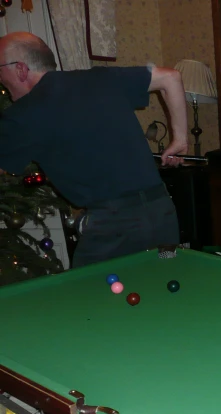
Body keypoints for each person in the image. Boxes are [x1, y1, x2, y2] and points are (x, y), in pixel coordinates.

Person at [0, 32, 188, 268]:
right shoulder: (100, 77)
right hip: (162, 214)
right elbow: (171, 77)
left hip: (113, 227)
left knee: (85, 296)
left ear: (20, 69)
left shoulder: (23, 115)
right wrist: (180, 141)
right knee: (166, 276)